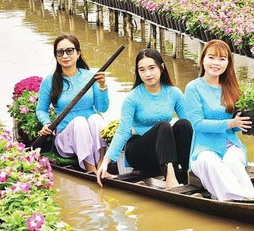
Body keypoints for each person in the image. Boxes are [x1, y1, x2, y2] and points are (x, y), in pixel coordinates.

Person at [95, 49, 193, 188]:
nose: (147, 74)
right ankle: (170, 179)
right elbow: (123, 131)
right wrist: (106, 161)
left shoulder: (174, 93)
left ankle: (189, 172)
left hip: (164, 149)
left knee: (183, 124)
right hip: (139, 151)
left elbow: (190, 126)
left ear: (162, 67)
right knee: (164, 126)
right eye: (142, 70)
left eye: (152, 68)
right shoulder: (133, 97)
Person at [184, 39, 254, 201]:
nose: (216, 63)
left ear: (228, 63)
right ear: (203, 59)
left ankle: (250, 201)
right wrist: (229, 123)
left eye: (222, 59)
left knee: (233, 161)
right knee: (209, 161)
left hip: (231, 145)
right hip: (203, 149)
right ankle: (243, 200)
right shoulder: (193, 88)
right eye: (211, 57)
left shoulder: (232, 88)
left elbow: (237, 127)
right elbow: (197, 124)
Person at [36, 34, 109, 173]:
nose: (65, 56)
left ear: (78, 53)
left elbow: (102, 108)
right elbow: (41, 110)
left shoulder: (90, 76)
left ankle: (101, 163)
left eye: (70, 51)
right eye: (60, 52)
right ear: (56, 56)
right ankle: (90, 168)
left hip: (92, 136)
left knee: (96, 118)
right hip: (66, 139)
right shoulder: (49, 81)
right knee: (79, 122)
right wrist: (46, 123)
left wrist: (103, 86)